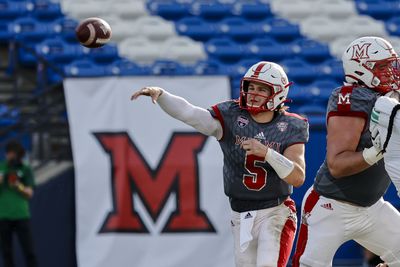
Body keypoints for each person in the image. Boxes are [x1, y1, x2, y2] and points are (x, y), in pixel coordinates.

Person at [131, 61, 309, 267]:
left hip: (275, 211)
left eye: (261, 89)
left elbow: (297, 177)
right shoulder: (232, 115)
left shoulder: (290, 125)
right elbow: (191, 114)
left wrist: (267, 153)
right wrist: (162, 95)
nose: (253, 93)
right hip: (241, 215)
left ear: (278, 93)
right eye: (251, 87)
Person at [292, 36, 400, 267]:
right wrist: (378, 151)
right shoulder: (351, 97)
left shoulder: (388, 99)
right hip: (331, 206)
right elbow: (337, 165)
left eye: (391, 65)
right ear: (360, 69)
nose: (390, 72)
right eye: (382, 66)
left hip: (372, 207)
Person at [0, 140, 37, 267]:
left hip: (21, 215)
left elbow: (30, 193)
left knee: (29, 252)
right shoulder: (2, 167)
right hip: (3, 215)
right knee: (6, 253)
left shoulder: (25, 168)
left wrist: (18, 185)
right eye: (9, 154)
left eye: (14, 154)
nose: (11, 157)